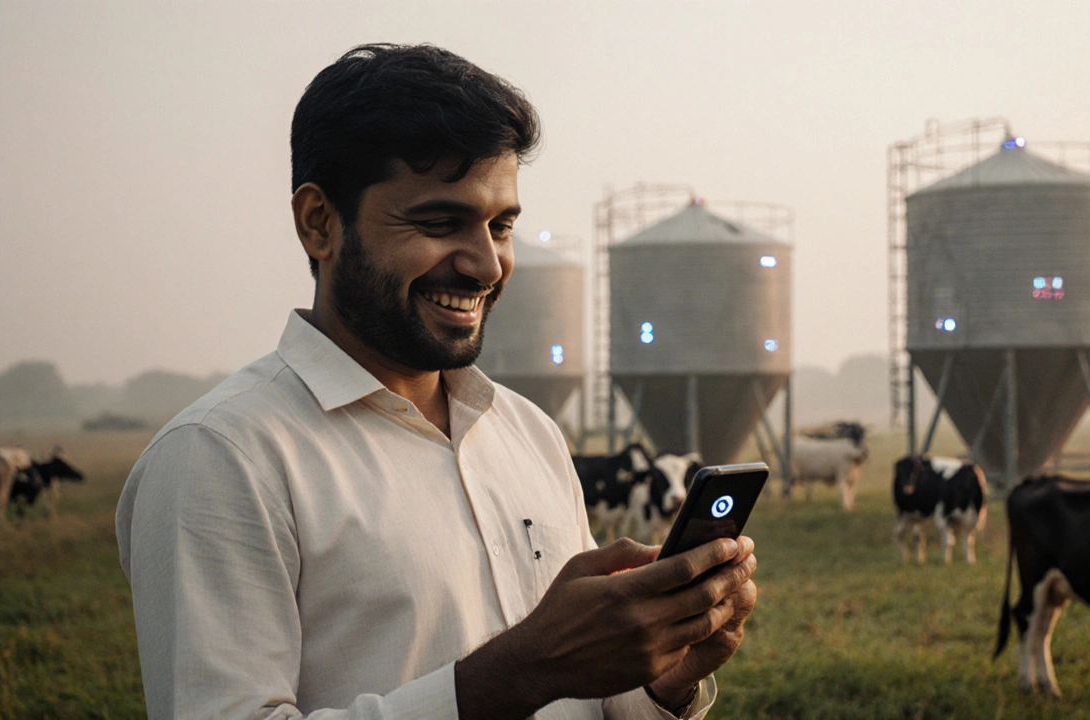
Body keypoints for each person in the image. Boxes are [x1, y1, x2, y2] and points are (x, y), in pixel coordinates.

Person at [116, 43, 757, 720]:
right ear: (318, 223)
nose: (486, 264)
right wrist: (520, 671)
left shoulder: (528, 432)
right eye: (439, 222)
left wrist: (664, 680)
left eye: (501, 225)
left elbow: (584, 699)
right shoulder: (222, 457)